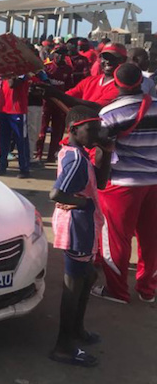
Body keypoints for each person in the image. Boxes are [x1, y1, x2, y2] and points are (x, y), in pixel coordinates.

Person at [48, 105, 111, 367]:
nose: (97, 133)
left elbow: (101, 182)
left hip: (82, 225)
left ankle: (77, 331)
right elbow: (56, 194)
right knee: (73, 286)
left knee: (88, 277)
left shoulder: (79, 152)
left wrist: (105, 152)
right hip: (77, 226)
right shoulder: (75, 159)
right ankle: (63, 346)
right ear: (74, 129)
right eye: (91, 129)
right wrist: (83, 204)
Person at [93, 63, 157, 304]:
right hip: (154, 183)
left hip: (122, 184)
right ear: (141, 82)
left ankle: (117, 291)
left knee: (117, 239)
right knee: (151, 238)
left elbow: (102, 151)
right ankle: (147, 289)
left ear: (116, 83)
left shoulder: (109, 113)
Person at [36, 46, 73, 163]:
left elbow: (69, 88)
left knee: (57, 131)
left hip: (60, 104)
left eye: (63, 54)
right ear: (54, 54)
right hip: (46, 103)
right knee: (41, 130)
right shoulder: (46, 67)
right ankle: (38, 154)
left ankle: (52, 155)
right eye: (58, 54)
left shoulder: (68, 69)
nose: (61, 56)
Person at [0, 73, 31, 178]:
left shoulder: (22, 70)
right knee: (3, 140)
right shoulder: (4, 70)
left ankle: (24, 168)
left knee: (21, 140)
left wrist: (9, 73)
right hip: (3, 108)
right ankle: (2, 165)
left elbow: (12, 84)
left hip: (18, 110)